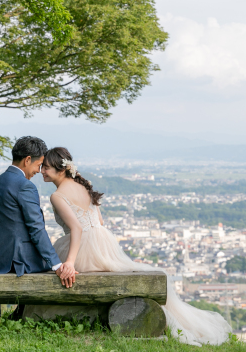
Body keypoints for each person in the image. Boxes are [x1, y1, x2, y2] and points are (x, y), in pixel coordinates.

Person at [41, 146, 232, 346]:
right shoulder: (85, 184)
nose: (42, 171)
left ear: (61, 169)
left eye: (46, 167)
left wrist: (70, 262)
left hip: (81, 245)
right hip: (102, 241)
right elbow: (100, 221)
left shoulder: (58, 195)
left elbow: (77, 229)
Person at [0, 136, 77, 291]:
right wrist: (56, 265)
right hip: (19, 261)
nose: (38, 171)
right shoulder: (25, 186)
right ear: (27, 160)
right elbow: (36, 228)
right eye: (38, 165)